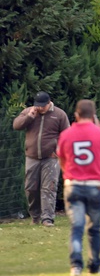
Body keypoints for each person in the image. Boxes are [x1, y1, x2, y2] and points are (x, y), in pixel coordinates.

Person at [56, 99, 100, 276]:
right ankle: (95, 265)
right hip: (94, 185)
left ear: (76, 115)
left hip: (73, 184)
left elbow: (60, 157)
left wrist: (66, 174)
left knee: (77, 227)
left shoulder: (67, 134)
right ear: (93, 116)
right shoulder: (99, 132)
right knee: (94, 228)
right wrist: (99, 127)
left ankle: (76, 265)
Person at [13, 91, 70, 227]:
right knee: (30, 188)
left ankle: (47, 218)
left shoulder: (59, 114)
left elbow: (67, 135)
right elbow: (16, 125)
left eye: (42, 106)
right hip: (32, 157)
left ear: (49, 103)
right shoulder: (29, 112)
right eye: (37, 105)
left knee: (48, 188)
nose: (39, 108)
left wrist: (58, 151)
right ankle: (35, 216)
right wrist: (28, 117)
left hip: (51, 158)